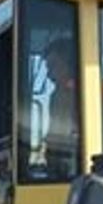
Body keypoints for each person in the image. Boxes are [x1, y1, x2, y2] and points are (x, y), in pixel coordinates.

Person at [43, 38, 79, 177]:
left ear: (70, 65)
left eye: (53, 66)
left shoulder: (92, 94)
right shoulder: (55, 97)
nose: (48, 75)